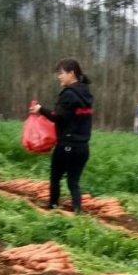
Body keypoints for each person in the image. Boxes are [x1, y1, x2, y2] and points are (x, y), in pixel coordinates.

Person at [30, 59, 93, 212]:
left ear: (71, 74)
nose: (59, 77)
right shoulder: (86, 93)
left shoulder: (69, 94)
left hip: (67, 146)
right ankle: (78, 213)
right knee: (73, 182)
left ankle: (53, 208)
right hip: (83, 148)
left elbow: (57, 116)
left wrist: (40, 109)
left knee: (55, 177)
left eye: (61, 73)